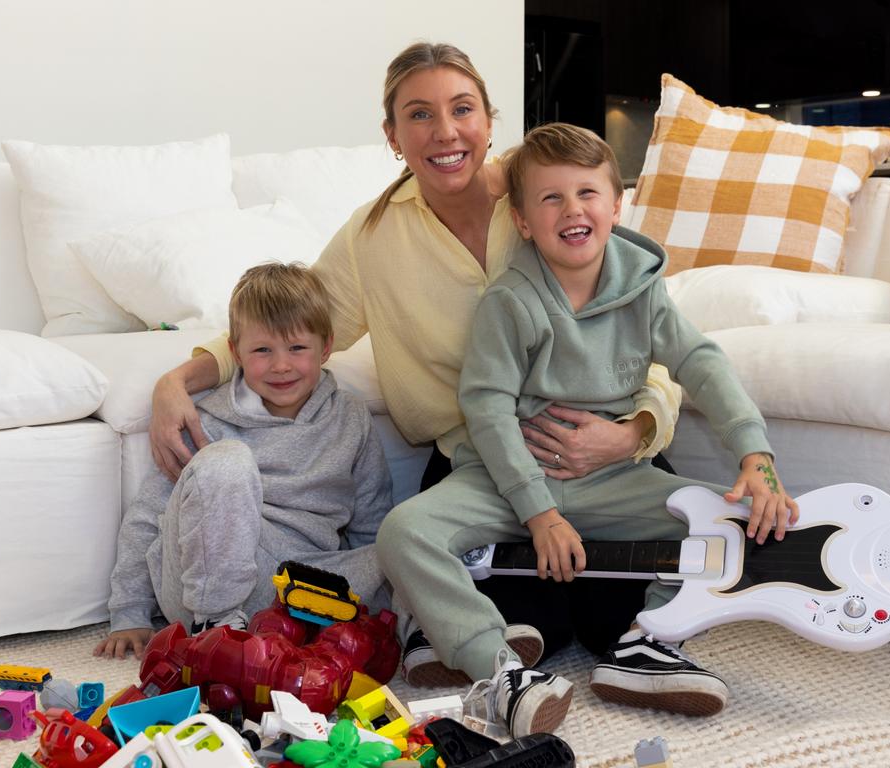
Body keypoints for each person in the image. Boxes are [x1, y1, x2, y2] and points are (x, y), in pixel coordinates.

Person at [147, 42, 680, 687]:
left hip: (601, 451)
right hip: (475, 463)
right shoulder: (372, 237)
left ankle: (636, 642)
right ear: (393, 135)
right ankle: (491, 655)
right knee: (526, 619)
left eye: (462, 109)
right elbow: (293, 327)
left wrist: (632, 432)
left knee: (613, 617)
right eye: (419, 115)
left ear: (489, 120)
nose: (445, 132)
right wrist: (178, 379)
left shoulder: (552, 191)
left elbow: (639, 327)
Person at [375, 123, 801, 732]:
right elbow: (488, 409)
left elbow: (700, 362)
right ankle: (496, 667)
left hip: (611, 475)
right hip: (509, 476)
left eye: (587, 193)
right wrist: (539, 514)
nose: (572, 209)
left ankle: (644, 642)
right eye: (550, 198)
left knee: (728, 524)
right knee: (403, 532)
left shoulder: (643, 286)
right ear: (522, 220)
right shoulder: (511, 300)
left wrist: (754, 455)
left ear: (616, 203)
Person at [95, 263, 392, 660]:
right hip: (200, 589)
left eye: (297, 348)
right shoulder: (206, 421)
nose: (281, 365)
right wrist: (129, 613)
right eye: (263, 350)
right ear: (235, 353)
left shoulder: (351, 417)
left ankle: (411, 642)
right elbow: (149, 516)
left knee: (407, 544)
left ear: (325, 348)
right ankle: (217, 629)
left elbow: (372, 521)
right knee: (226, 462)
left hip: (303, 583)